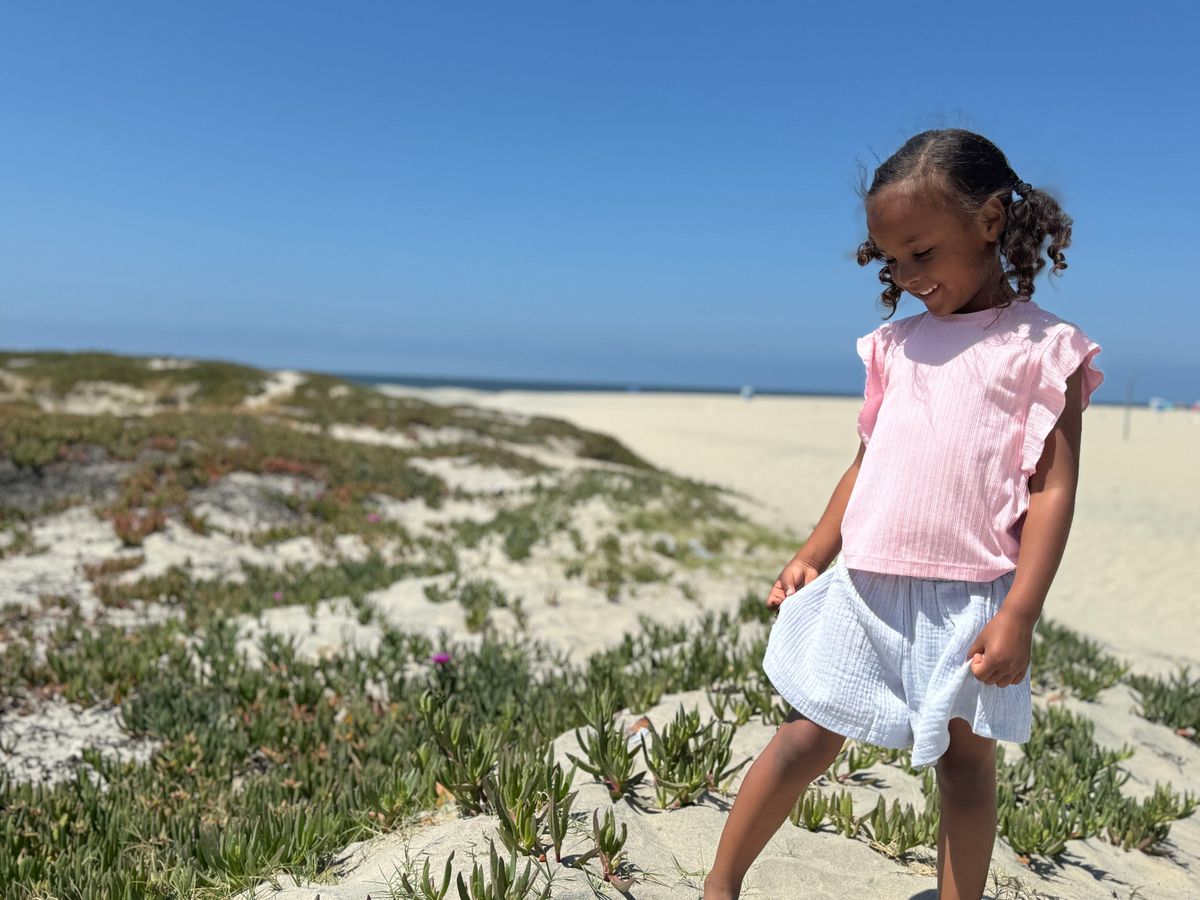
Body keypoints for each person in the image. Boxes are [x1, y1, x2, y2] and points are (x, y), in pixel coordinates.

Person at [703, 128, 1104, 900]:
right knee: (804, 736)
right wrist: (814, 550)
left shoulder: (1042, 350)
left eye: (923, 253)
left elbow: (1054, 489)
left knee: (964, 764)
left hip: (972, 593)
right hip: (866, 584)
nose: (907, 275)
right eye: (893, 260)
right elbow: (866, 463)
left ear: (990, 221)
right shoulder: (894, 346)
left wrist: (1021, 610)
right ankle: (720, 883)